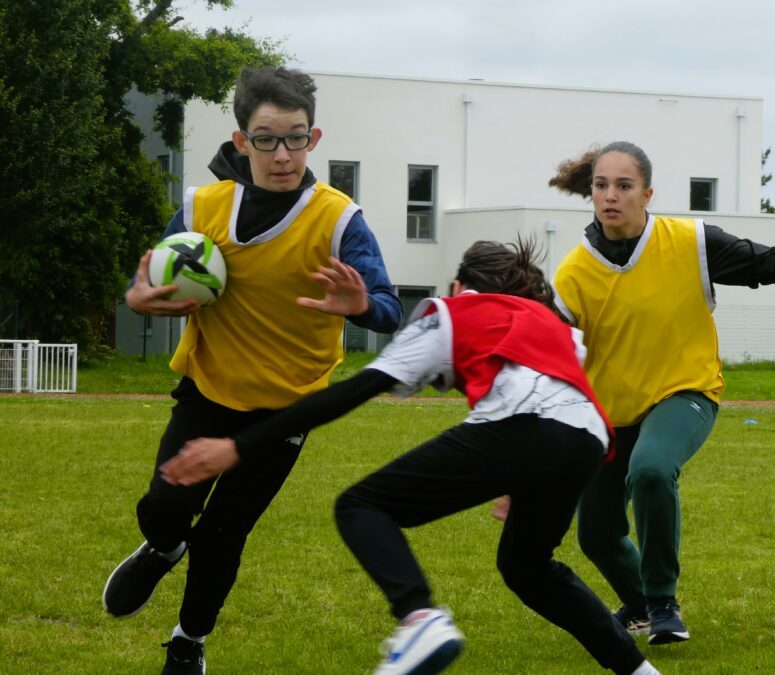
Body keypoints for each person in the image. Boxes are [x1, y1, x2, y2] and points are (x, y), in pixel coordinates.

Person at [160, 240, 662, 675]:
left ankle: (419, 618)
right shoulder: (552, 325)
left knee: (362, 505)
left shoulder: (451, 312)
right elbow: (557, 400)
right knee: (527, 568)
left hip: (525, 425)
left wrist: (238, 445)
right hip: (587, 439)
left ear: (459, 284)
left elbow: (355, 390)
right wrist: (524, 475)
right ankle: (636, 668)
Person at [101, 66, 403, 674]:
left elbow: (391, 311)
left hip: (285, 410)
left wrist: (361, 305)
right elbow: (152, 281)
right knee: (165, 507)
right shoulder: (202, 206)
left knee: (223, 535)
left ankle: (188, 642)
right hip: (208, 389)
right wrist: (139, 299)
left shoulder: (340, 220)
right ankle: (162, 546)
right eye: (267, 138)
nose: (283, 154)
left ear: (314, 140)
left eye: (296, 138)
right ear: (242, 142)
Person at [547, 141, 775, 645]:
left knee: (653, 469)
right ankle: (637, 607)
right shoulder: (574, 273)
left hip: (686, 391)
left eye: (623, 185)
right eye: (601, 185)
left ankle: (662, 603)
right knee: (595, 533)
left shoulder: (690, 241)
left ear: (647, 193)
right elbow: (550, 366)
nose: (610, 195)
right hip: (609, 413)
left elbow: (772, 263)